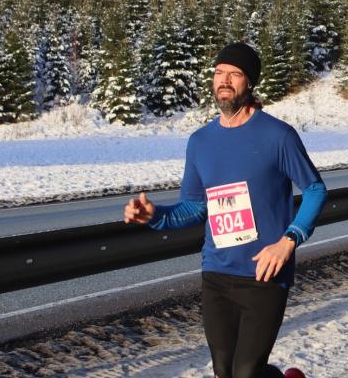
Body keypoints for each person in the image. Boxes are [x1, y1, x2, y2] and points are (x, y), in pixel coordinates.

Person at [124, 42, 326, 378]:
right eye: (219, 73)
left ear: (250, 83)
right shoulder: (200, 142)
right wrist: (155, 216)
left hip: (264, 274)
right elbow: (195, 206)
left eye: (235, 74)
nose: (225, 80)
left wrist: (288, 241)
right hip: (216, 273)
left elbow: (316, 190)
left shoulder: (278, 136)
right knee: (224, 372)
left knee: (246, 372)